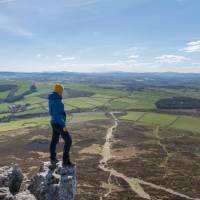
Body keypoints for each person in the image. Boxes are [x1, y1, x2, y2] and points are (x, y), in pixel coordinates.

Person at [48, 83, 74, 167]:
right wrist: (63, 126)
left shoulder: (52, 98)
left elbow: (52, 113)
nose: (62, 92)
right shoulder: (58, 101)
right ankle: (65, 161)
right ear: (59, 91)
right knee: (68, 141)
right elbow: (58, 115)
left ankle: (53, 158)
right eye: (62, 91)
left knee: (54, 140)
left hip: (53, 122)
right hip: (58, 123)